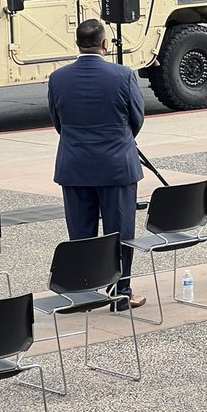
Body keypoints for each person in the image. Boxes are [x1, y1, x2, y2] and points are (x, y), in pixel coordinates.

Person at [47, 18, 146, 309]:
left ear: (77, 43)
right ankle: (120, 293)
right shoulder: (123, 75)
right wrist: (119, 140)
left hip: (74, 165)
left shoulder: (58, 78)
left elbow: (58, 121)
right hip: (117, 165)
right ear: (105, 44)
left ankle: (84, 294)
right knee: (120, 234)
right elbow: (136, 118)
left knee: (81, 235)